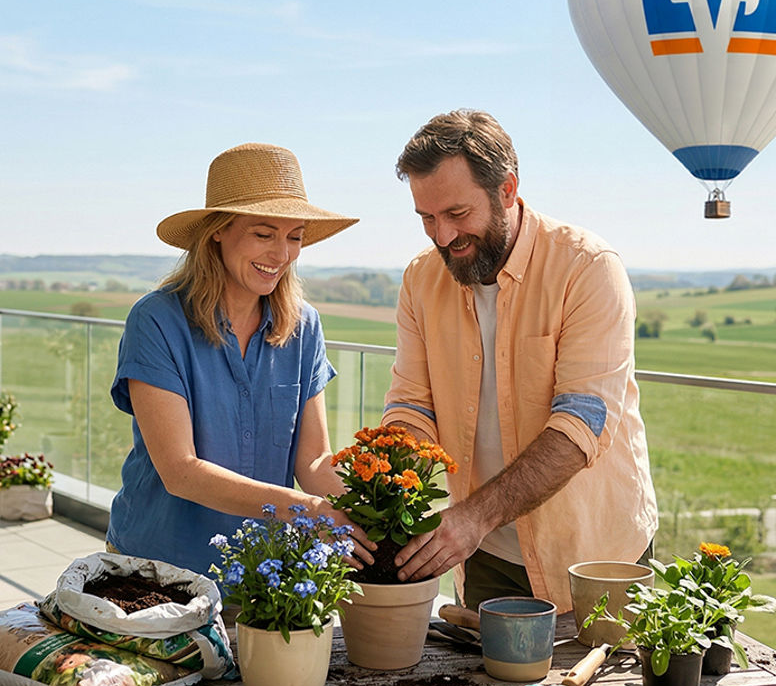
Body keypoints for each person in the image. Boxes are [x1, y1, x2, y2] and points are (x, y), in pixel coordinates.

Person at [383, 109, 657, 612]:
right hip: (483, 556)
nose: (442, 236)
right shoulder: (420, 280)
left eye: (457, 214)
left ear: (507, 189)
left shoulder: (588, 269)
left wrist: (471, 517)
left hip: (595, 557)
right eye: (427, 218)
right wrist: (390, 484)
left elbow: (581, 425)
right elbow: (412, 406)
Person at [107, 142, 368, 578]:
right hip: (156, 570)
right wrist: (306, 509)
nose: (281, 254)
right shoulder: (156, 321)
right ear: (218, 231)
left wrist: (374, 515)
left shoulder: (304, 327)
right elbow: (180, 472)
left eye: (295, 237)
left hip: (260, 575)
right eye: (263, 234)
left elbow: (313, 460)